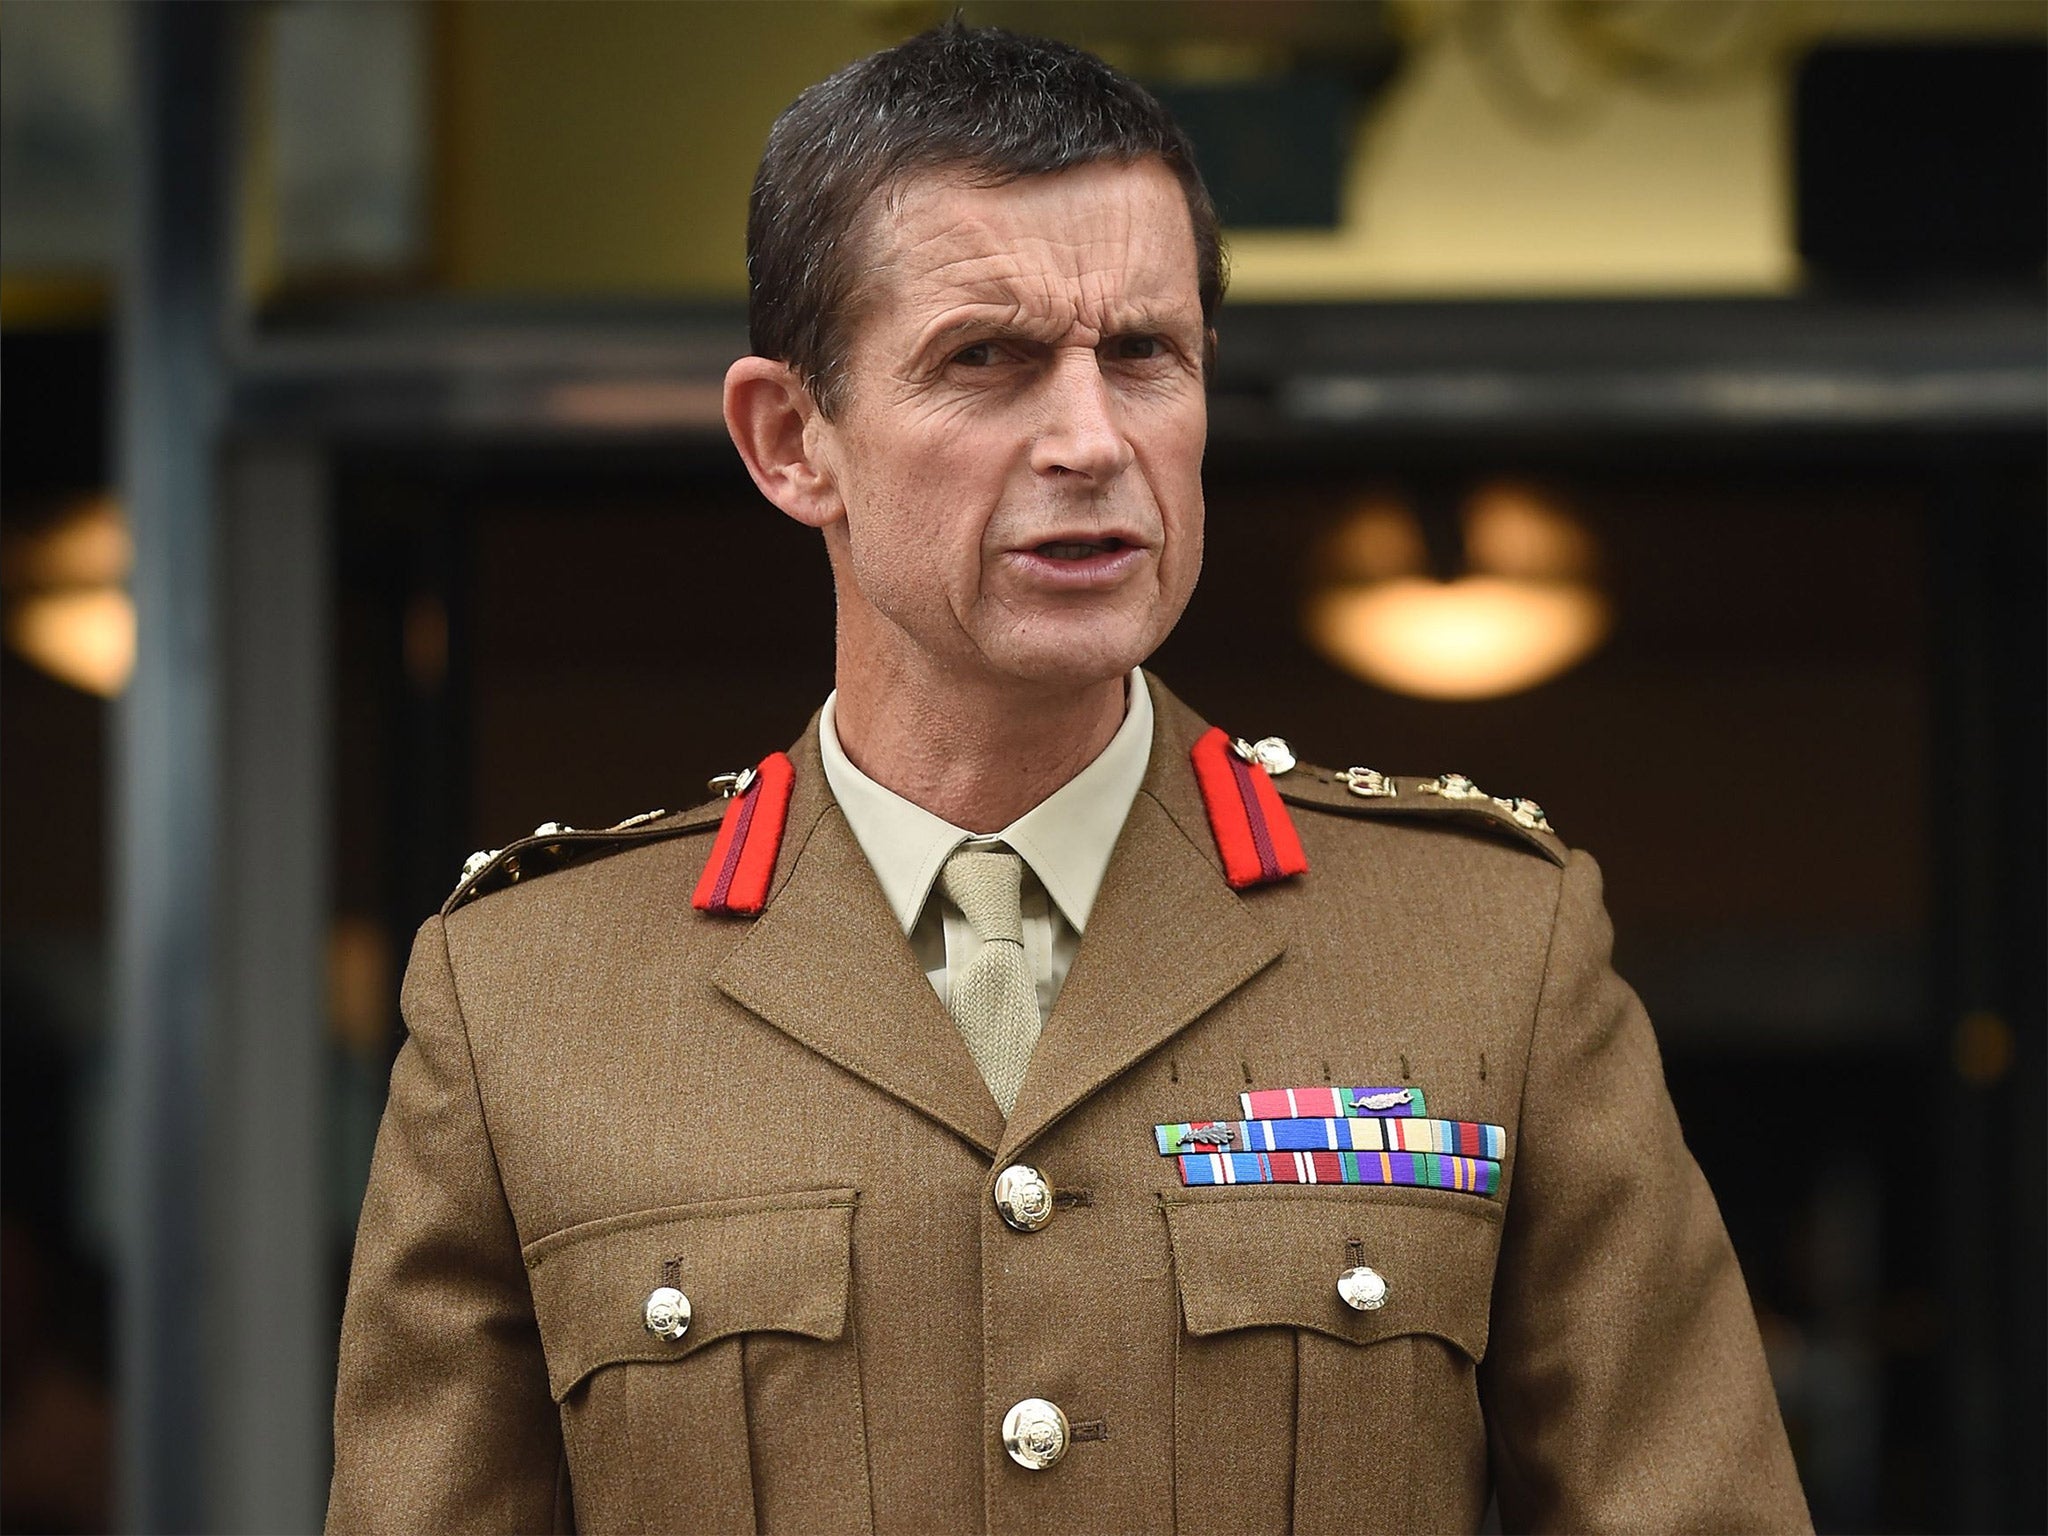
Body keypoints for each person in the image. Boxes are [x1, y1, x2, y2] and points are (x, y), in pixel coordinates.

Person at [328, 22, 1810, 1535]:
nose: (1093, 439)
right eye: (989, 360)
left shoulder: (1487, 948)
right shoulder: (526, 999)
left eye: (1146, 356)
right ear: (792, 441)